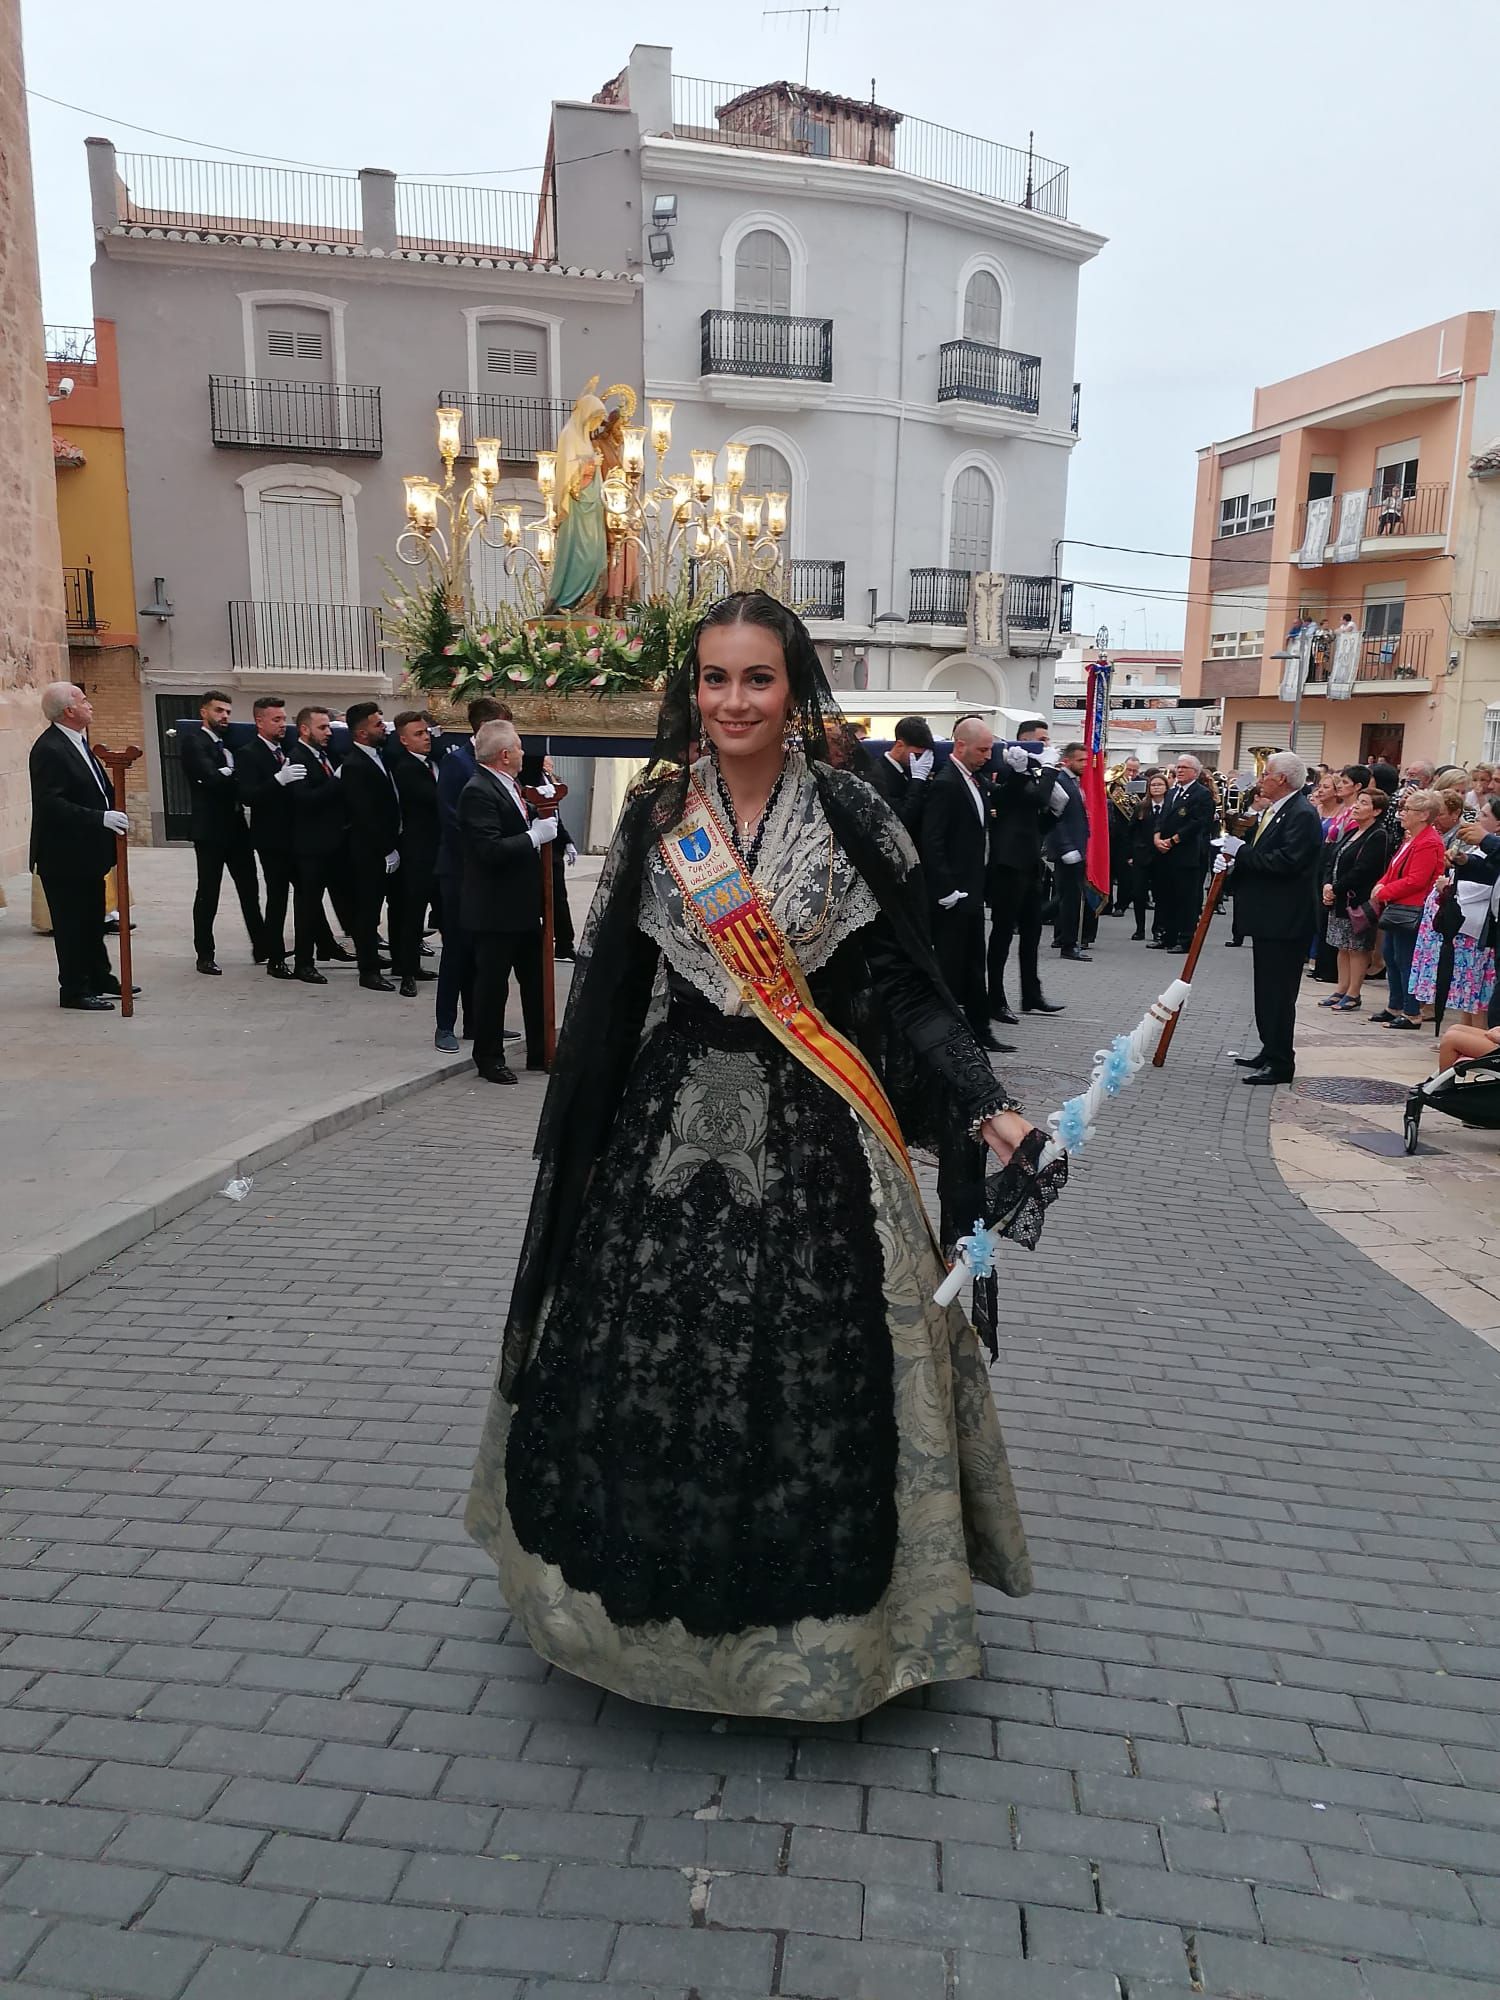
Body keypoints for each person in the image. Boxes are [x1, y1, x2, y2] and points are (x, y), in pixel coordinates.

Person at [464, 589, 1043, 1721]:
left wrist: (989, 1106)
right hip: (669, 1117)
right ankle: (629, 1620)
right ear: (696, 689)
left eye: (757, 679)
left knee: (810, 1359)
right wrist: (582, 1133)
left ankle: (821, 1635)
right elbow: (617, 988)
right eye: (716, 679)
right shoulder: (657, 814)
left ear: (795, 689)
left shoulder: (853, 815)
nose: (734, 700)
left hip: (819, 1122)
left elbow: (907, 990)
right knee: (656, 1350)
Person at [1215, 749, 1322, 1085]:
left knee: (1278, 992)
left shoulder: (1301, 813)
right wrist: (1235, 862)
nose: (1260, 780)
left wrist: (1241, 851)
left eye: (1265, 774)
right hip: (1270, 917)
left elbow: (1287, 862)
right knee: (1266, 989)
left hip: (1286, 919)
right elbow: (1264, 856)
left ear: (1282, 779)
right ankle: (1269, 1048)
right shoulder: (1278, 810)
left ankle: (1281, 1062)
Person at [458, 719, 553, 1082]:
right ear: (504, 754)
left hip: (523, 906)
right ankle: (489, 1058)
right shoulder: (478, 790)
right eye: (518, 747)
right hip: (494, 910)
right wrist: (534, 836)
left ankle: (541, 1051)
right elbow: (489, 850)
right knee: (493, 987)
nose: (523, 753)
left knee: (536, 981)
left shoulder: (510, 785)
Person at [28, 682, 129, 1011]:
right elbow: (50, 803)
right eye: (84, 701)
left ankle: (99, 976)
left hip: (88, 854)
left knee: (91, 921)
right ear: (68, 711)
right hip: (64, 856)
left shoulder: (79, 743)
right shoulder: (50, 748)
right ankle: (73, 989)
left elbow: (97, 788)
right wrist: (99, 818)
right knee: (72, 926)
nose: (90, 706)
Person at [920, 718, 1006, 1049]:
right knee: (950, 966)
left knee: (973, 963)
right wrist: (945, 888)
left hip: (973, 886)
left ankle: (980, 1031)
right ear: (960, 745)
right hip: (953, 893)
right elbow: (933, 840)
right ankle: (946, 1038)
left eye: (990, 749)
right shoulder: (946, 782)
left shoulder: (976, 780)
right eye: (983, 749)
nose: (988, 756)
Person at [181, 690, 266, 976]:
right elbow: (211, 779)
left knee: (250, 889)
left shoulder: (228, 744)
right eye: (219, 711)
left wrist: (232, 775)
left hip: (236, 827)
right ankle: (204, 954)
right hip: (210, 830)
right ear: (204, 712)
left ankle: (261, 946)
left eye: (228, 712)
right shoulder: (195, 742)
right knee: (208, 892)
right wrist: (233, 775)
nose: (225, 716)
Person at [986, 719, 1064, 1019]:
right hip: (1007, 863)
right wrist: (1051, 771)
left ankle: (1032, 994)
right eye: (1041, 740)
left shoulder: (1032, 771)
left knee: (1032, 932)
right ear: (1024, 741)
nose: (1047, 745)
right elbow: (1033, 799)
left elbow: (1036, 816)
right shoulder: (1009, 769)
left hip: (1030, 861)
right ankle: (996, 997)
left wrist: (1055, 815)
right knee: (1003, 933)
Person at [1412, 795, 1500, 1028]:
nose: (1477, 819)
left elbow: (1484, 884)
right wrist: (1464, 861)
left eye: (1484, 815)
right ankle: (1473, 1043)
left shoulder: (1490, 843)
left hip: (1478, 923)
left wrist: (1487, 842)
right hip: (1488, 924)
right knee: (1475, 997)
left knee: (1480, 995)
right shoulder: (1485, 845)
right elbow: (1490, 872)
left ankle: (1484, 1046)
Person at [1368, 789, 1447, 1030]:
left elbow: (1417, 880)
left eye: (1408, 810)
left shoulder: (1429, 842)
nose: (1402, 814)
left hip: (1413, 907)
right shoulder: (1412, 837)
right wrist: (1382, 883)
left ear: (1424, 815)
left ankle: (1412, 1011)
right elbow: (1395, 869)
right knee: (1391, 955)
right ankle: (1395, 1005)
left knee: (1406, 959)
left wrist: (1384, 891)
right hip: (1399, 905)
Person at [235, 696, 301, 980]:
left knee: (307, 892)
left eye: (284, 718)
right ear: (259, 721)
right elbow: (248, 795)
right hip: (270, 837)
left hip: (295, 834)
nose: (282, 724)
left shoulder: (286, 749)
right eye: (276, 719)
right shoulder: (248, 753)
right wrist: (278, 780)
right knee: (277, 898)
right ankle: (274, 957)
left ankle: (320, 944)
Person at [285, 706, 351, 987]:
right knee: (307, 905)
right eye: (322, 728)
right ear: (304, 729)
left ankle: (328, 947)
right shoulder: (297, 758)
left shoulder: (323, 755)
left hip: (332, 843)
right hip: (309, 847)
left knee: (339, 899)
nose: (328, 733)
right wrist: (336, 781)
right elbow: (306, 801)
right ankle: (303, 963)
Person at [338, 701, 400, 994]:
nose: (383, 727)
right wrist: (386, 848)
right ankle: (368, 970)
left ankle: (375, 957)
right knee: (367, 910)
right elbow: (364, 813)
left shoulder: (378, 755)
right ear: (361, 733)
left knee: (375, 906)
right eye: (378, 724)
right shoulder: (353, 765)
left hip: (383, 846)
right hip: (367, 850)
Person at [1320, 787, 1393, 1011]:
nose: (1356, 806)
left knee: (1357, 947)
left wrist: (1337, 887)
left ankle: (1353, 993)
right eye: (1358, 802)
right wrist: (1327, 884)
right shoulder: (1353, 831)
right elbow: (1334, 858)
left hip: (1357, 899)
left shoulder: (1378, 835)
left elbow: (1364, 870)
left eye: (1363, 803)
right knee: (1342, 945)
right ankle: (1341, 988)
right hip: (1340, 896)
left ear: (1376, 811)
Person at [389, 710, 441, 998]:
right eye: (419, 734)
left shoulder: (429, 764)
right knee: (411, 913)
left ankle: (412, 966)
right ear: (404, 740)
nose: (426, 738)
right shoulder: (406, 767)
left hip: (433, 848)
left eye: (427, 732)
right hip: (417, 850)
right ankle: (407, 971)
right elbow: (431, 799)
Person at [1151, 754, 1216, 951]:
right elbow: (1162, 817)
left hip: (1186, 853)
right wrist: (1157, 836)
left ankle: (1185, 938)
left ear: (1195, 772)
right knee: (1166, 895)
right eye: (1178, 767)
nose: (1179, 770)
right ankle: (1167, 936)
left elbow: (1198, 823)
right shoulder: (1172, 792)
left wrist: (1173, 840)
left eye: (1184, 768)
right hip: (1165, 852)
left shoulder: (1201, 794)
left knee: (1185, 898)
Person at [1044, 742, 1091, 962]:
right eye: (1080, 760)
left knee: (1067, 896)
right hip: (1068, 850)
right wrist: (1067, 848)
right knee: (1070, 898)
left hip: (1077, 846)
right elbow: (1057, 819)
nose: (1085, 764)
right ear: (1068, 760)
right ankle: (1069, 944)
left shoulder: (1073, 781)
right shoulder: (1061, 781)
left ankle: (1063, 937)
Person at [867, 715, 935, 832]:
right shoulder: (877, 775)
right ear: (899, 746)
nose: (921, 763)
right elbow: (901, 819)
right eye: (917, 756)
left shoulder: (909, 772)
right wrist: (917, 780)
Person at [1132, 770, 1170, 942]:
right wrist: (1131, 854)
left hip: (1162, 857)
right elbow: (1132, 832)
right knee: (1139, 893)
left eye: (1160, 784)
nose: (1156, 788)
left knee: (1161, 894)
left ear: (1166, 787)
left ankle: (1158, 928)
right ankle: (1140, 929)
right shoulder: (1141, 807)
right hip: (1142, 856)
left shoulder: (1170, 806)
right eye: (1153, 785)